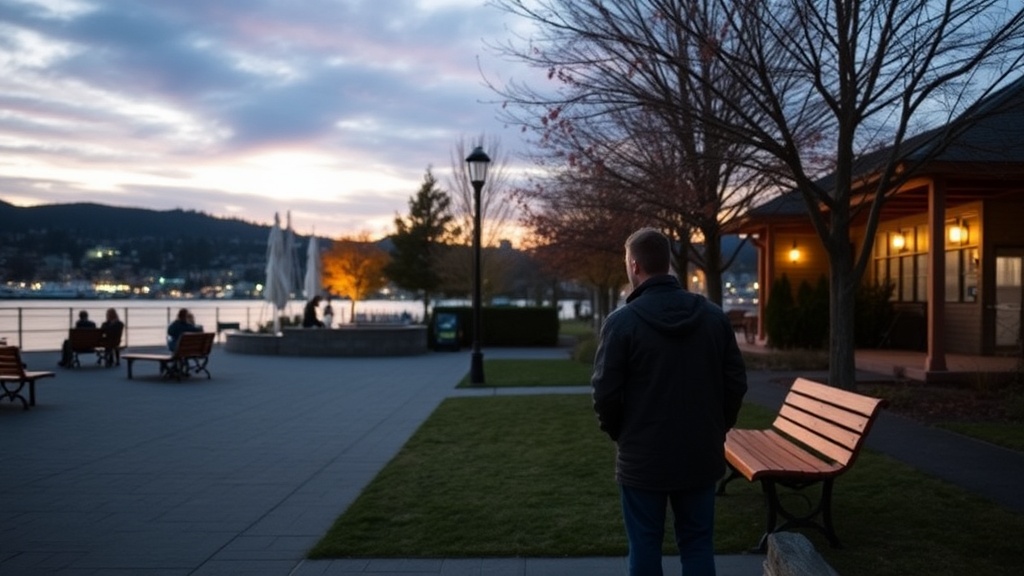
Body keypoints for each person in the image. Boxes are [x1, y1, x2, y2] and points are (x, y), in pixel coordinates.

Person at [591, 227, 747, 576]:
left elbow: (605, 394)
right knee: (698, 544)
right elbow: (736, 383)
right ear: (668, 263)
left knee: (644, 546)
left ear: (634, 265)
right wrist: (717, 427)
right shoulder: (713, 318)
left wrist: (622, 433)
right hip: (700, 451)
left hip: (643, 456)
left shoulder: (621, 323)